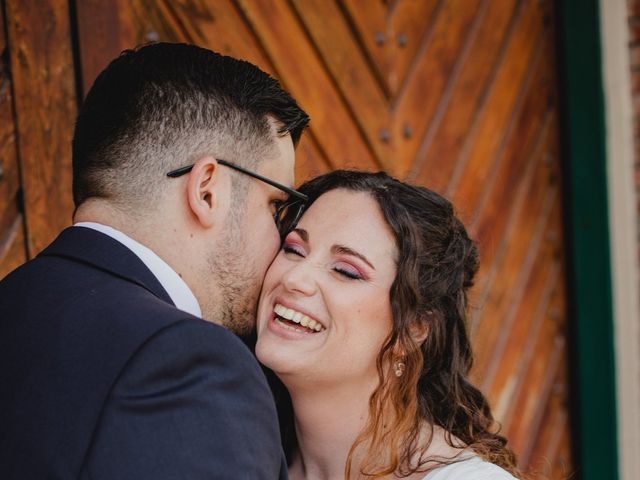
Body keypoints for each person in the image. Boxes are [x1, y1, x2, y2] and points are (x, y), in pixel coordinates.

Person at [0, 42, 309, 479]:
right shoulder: (190, 361)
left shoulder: (12, 304)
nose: (281, 240)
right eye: (277, 206)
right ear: (207, 190)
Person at [255, 170, 521, 479]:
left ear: (413, 329)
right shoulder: (237, 456)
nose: (294, 278)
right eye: (294, 250)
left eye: (345, 271)